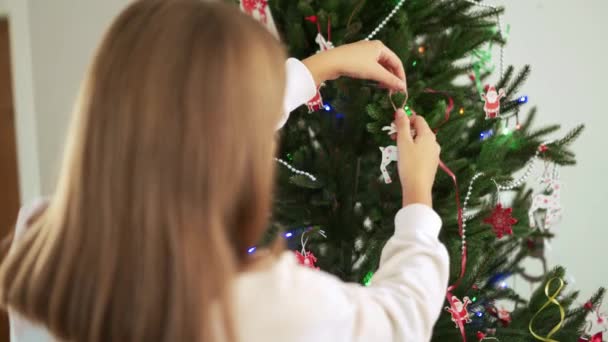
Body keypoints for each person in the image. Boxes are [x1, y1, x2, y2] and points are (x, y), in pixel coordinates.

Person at [0, 1, 448, 341]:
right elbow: (399, 318)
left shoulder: (41, 240)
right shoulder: (259, 302)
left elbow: (183, 132)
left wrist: (319, 68)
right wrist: (418, 201)